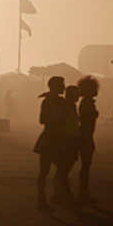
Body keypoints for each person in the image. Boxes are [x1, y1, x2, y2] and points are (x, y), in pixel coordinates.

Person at [34, 76, 70, 212]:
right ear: (55, 87)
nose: (64, 87)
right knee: (55, 171)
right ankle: (63, 199)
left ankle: (44, 200)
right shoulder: (49, 102)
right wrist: (57, 118)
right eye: (62, 85)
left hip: (53, 139)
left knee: (52, 171)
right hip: (51, 139)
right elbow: (42, 120)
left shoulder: (57, 101)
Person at [77, 75, 99, 204]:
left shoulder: (86, 102)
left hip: (86, 135)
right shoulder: (88, 103)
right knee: (85, 166)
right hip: (86, 136)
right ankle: (83, 192)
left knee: (85, 166)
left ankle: (83, 191)